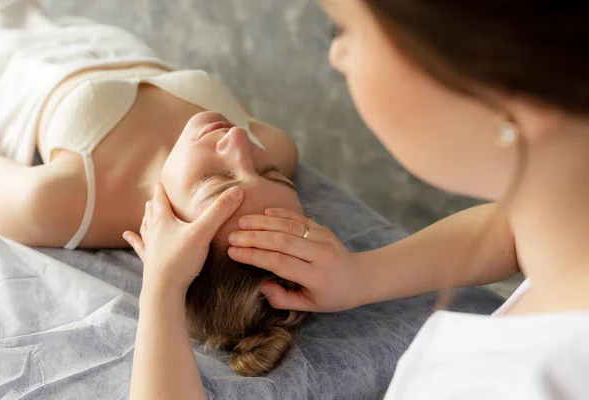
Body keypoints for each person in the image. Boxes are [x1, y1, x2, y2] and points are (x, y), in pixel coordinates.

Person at [126, 0, 589, 399]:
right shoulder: (566, 211)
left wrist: (161, 290)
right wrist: (365, 276)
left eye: (345, 28)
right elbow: (521, 230)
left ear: (504, 78)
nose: (337, 55)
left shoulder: (520, 382)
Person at [0, 0, 308, 376]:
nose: (237, 139)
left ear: (170, 238)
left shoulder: (64, 202)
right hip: (88, 27)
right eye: (270, 173)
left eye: (215, 181)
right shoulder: (279, 148)